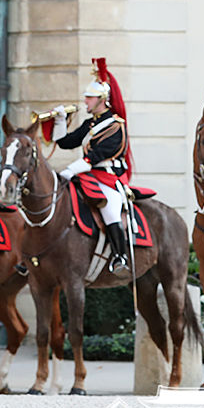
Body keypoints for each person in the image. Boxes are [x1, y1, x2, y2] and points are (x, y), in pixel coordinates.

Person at [52, 58, 133, 274]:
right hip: (88, 175)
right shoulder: (90, 124)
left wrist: (72, 169)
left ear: (102, 100)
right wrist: (60, 121)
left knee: (110, 208)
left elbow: (98, 155)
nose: (85, 101)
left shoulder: (116, 125)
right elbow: (66, 142)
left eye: (90, 98)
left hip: (108, 177)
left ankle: (120, 256)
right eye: (86, 97)